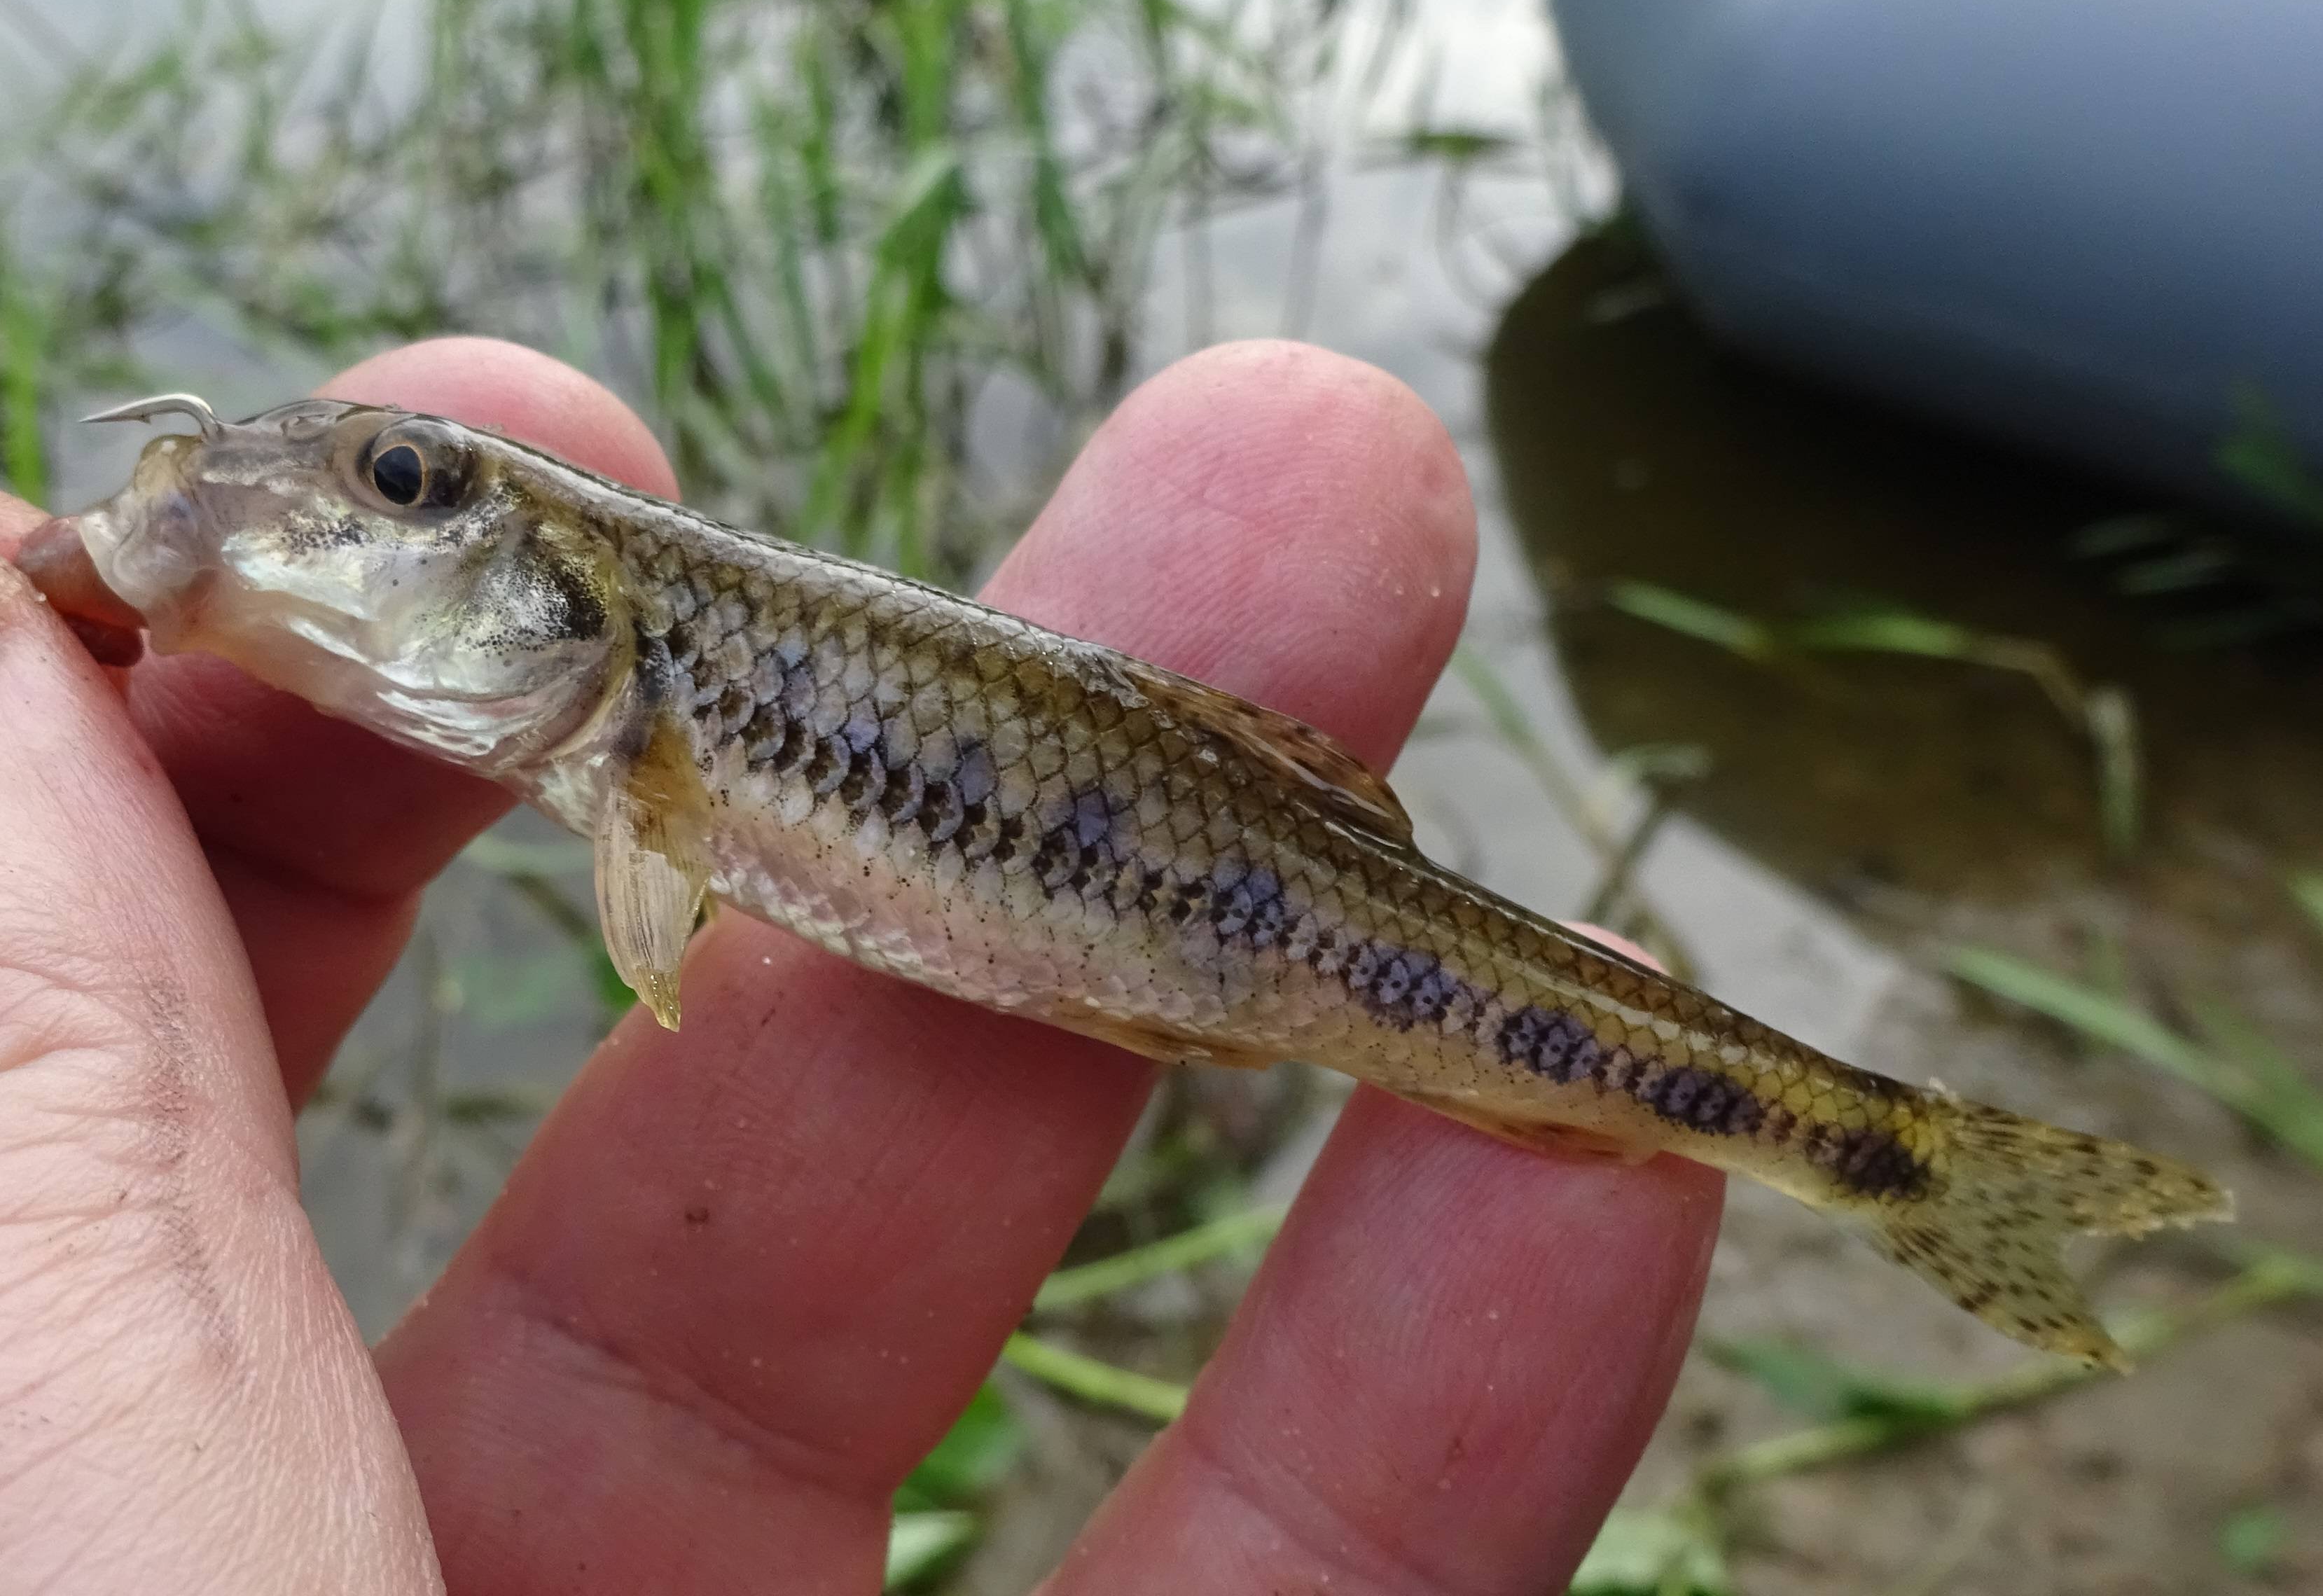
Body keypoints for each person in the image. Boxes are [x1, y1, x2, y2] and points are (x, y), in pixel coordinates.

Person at [0, 337, 1720, 1592]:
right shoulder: (622, 733)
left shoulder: (652, 705)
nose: (360, 494)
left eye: (400, 481)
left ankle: (1858, 1143)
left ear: (588, 610)